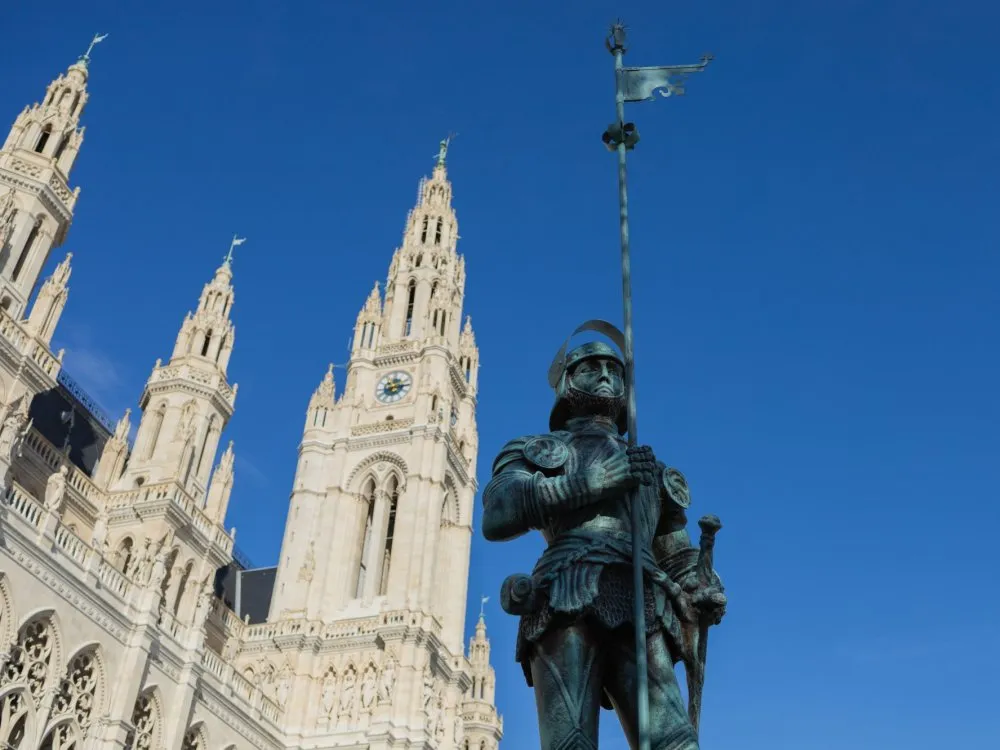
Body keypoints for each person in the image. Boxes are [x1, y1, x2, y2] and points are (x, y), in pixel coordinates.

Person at [482, 334, 726, 750]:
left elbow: (675, 550)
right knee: (571, 743)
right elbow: (498, 514)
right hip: (565, 592)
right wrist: (593, 482)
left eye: (615, 369)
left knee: (676, 743)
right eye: (592, 367)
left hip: (643, 598)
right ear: (567, 383)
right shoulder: (536, 449)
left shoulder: (652, 467)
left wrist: (699, 585)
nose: (606, 376)